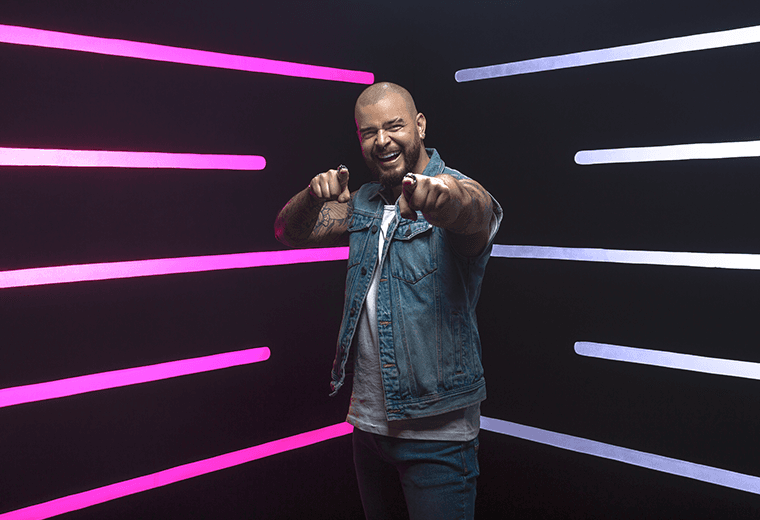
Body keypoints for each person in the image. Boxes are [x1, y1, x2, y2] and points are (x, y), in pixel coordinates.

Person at [274, 82, 502, 520]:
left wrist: (444, 197)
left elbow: (476, 209)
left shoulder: (453, 190)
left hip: (437, 439)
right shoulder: (363, 203)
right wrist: (313, 195)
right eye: (369, 132)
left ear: (420, 126)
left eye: (394, 126)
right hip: (369, 431)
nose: (382, 141)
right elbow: (287, 231)